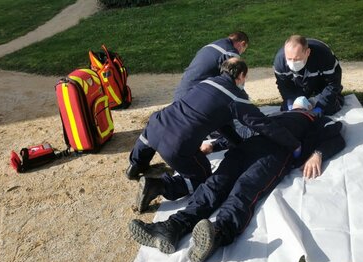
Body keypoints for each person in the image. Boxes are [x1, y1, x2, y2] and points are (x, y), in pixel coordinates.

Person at [128, 96, 346, 262]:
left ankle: (219, 232)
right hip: (244, 149)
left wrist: (318, 153)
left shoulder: (316, 121)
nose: (299, 107)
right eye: (297, 105)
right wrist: (215, 145)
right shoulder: (276, 116)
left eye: (303, 105)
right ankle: (173, 226)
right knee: (214, 184)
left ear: (308, 108)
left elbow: (336, 135)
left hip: (276, 154)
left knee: (244, 189)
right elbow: (243, 130)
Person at [126, 58, 301, 212]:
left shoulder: (207, 83)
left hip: (156, 125)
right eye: (245, 77)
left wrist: (238, 144)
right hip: (177, 145)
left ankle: (135, 165)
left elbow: (220, 121)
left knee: (150, 135)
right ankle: (157, 186)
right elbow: (262, 123)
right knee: (201, 177)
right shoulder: (235, 97)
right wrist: (293, 143)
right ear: (240, 76)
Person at [274, 35, 344, 114]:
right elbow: (284, 87)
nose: (292, 63)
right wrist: (292, 105)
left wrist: (319, 107)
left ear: (308, 52)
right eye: (289, 59)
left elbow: (333, 83)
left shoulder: (324, 55)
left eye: (297, 59)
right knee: (287, 109)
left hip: (321, 81)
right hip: (299, 83)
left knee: (329, 108)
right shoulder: (280, 61)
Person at [173, 31, 249, 101]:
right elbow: (236, 81)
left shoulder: (211, 46)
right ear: (242, 44)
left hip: (181, 95)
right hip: (196, 98)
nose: (240, 53)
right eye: (243, 49)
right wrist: (246, 101)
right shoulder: (230, 52)